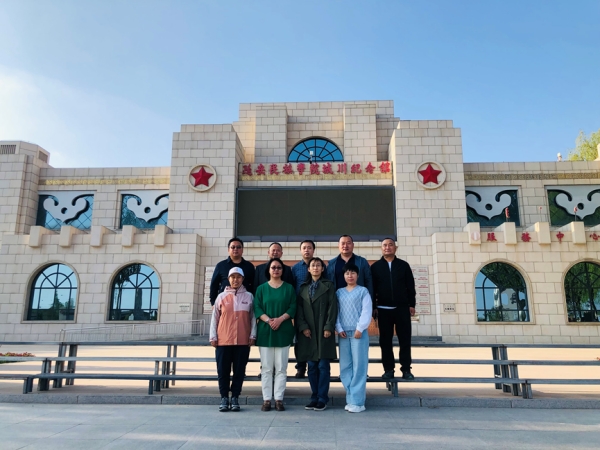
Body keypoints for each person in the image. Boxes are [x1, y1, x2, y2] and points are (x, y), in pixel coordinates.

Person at [209, 267, 256, 412]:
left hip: (242, 341)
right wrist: (213, 336)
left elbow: (253, 318)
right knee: (223, 371)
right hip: (224, 340)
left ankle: (235, 397)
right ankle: (224, 397)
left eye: (238, 277)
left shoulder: (249, 297)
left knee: (239, 371)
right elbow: (215, 318)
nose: (236, 280)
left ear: (243, 279)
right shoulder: (221, 297)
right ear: (228, 279)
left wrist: (252, 335)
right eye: (233, 277)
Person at [370, 238, 416, 380]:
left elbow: (410, 286)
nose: (387, 247)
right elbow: (372, 289)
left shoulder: (403, 265)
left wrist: (412, 304)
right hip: (383, 309)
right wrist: (374, 307)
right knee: (385, 341)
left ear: (395, 248)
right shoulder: (376, 267)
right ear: (381, 248)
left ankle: (406, 369)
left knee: (405, 340)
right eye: (385, 245)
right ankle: (388, 369)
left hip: (402, 309)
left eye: (390, 245)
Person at [254, 257, 296, 412]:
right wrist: (268, 320)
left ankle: (279, 399)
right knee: (266, 368)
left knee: (281, 368)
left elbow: (293, 307)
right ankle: (266, 399)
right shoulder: (261, 289)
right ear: (269, 270)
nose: (276, 270)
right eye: (273, 267)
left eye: (279, 267)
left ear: (282, 270)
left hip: (283, 331)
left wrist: (280, 319)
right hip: (265, 331)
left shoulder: (289, 288)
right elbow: (257, 307)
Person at [296, 257, 337, 411]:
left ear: (322, 268)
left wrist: (328, 327)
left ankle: (322, 398)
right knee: (312, 366)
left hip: (323, 330)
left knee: (323, 365)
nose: (315, 268)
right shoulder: (303, 287)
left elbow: (332, 307)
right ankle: (314, 396)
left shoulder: (329, 285)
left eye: (318, 265)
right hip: (309, 332)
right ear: (308, 269)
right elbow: (299, 310)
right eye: (313, 265)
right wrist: (303, 327)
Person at [336, 263, 372, 413]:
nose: (350, 276)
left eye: (352, 273)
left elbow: (366, 311)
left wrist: (360, 328)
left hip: (358, 334)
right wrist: (338, 328)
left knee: (359, 366)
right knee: (345, 366)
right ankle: (350, 398)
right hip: (344, 334)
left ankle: (358, 402)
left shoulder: (363, 291)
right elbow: (336, 312)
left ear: (357, 275)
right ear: (343, 276)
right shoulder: (339, 292)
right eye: (347, 273)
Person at [290, 239, 317, 378]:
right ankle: (301, 367)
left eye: (309, 247)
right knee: (300, 339)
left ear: (313, 250)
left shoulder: (319, 266)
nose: (307, 250)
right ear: (300, 251)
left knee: (315, 337)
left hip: (316, 308)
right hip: (300, 308)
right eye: (304, 248)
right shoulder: (295, 268)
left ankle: (315, 365)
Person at [209, 238, 256, 306]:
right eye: (233, 247)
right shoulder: (221, 266)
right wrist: (213, 303)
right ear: (228, 250)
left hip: (245, 304)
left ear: (242, 250)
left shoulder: (249, 266)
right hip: (225, 304)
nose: (235, 249)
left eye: (238, 247)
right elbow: (214, 285)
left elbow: (254, 285)